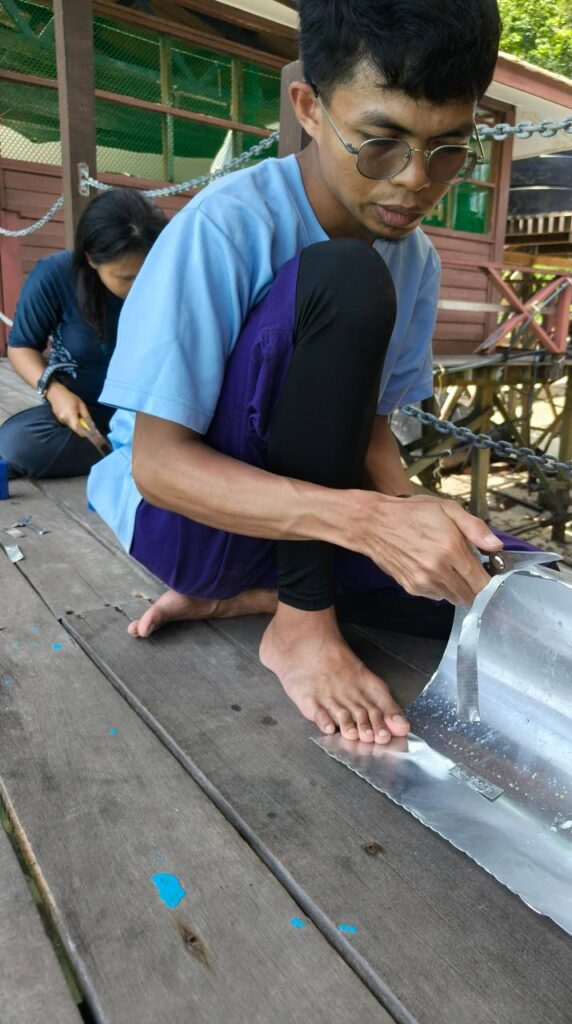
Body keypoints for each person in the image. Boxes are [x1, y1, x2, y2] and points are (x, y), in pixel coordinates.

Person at [89, 0, 524, 745]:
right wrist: (371, 524)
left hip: (301, 530)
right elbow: (159, 468)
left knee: (508, 592)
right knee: (344, 278)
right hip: (192, 526)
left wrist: (416, 515)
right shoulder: (229, 224)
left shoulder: (415, 257)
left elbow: (367, 430)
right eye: (381, 143)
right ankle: (299, 623)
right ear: (309, 108)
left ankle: (248, 597)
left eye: (450, 149)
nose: (416, 181)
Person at [0, 189, 167, 478]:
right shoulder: (56, 275)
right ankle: (144, 456)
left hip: (156, 413)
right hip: (88, 413)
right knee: (17, 444)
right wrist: (55, 392)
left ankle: (145, 453)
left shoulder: (176, 276)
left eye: (149, 273)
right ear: (90, 259)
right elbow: (22, 347)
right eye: (126, 278)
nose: (141, 287)